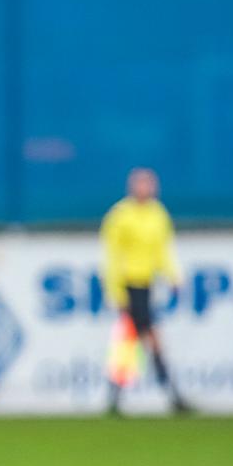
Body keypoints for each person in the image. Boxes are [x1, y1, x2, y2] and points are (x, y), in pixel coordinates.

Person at [101, 167, 191, 414]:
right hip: (128, 285)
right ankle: (172, 395)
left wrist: (173, 277)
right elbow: (112, 257)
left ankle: (115, 398)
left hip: (146, 285)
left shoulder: (158, 215)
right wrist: (115, 292)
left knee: (130, 343)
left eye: (149, 184)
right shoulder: (120, 216)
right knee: (148, 340)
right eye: (141, 184)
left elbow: (162, 252)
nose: (146, 188)